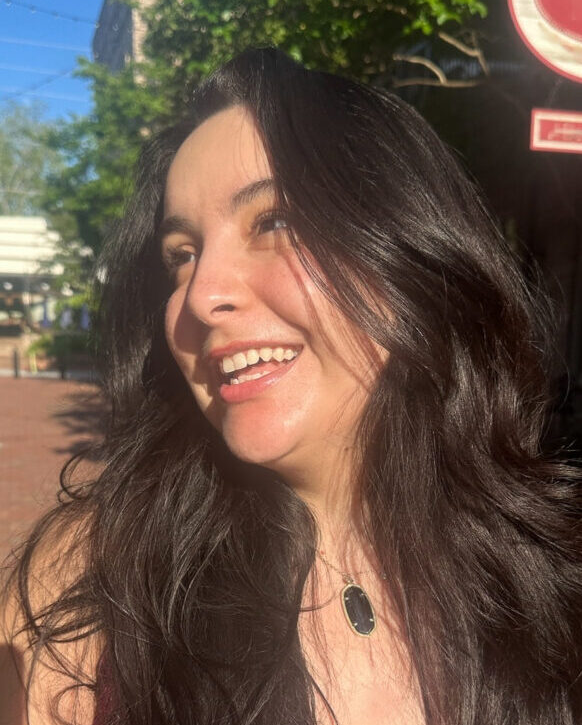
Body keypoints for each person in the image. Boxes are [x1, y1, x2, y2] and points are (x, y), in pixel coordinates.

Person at [2, 47, 581, 725]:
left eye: (273, 221)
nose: (201, 296)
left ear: (405, 251)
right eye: (181, 255)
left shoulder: (551, 574)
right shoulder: (89, 586)